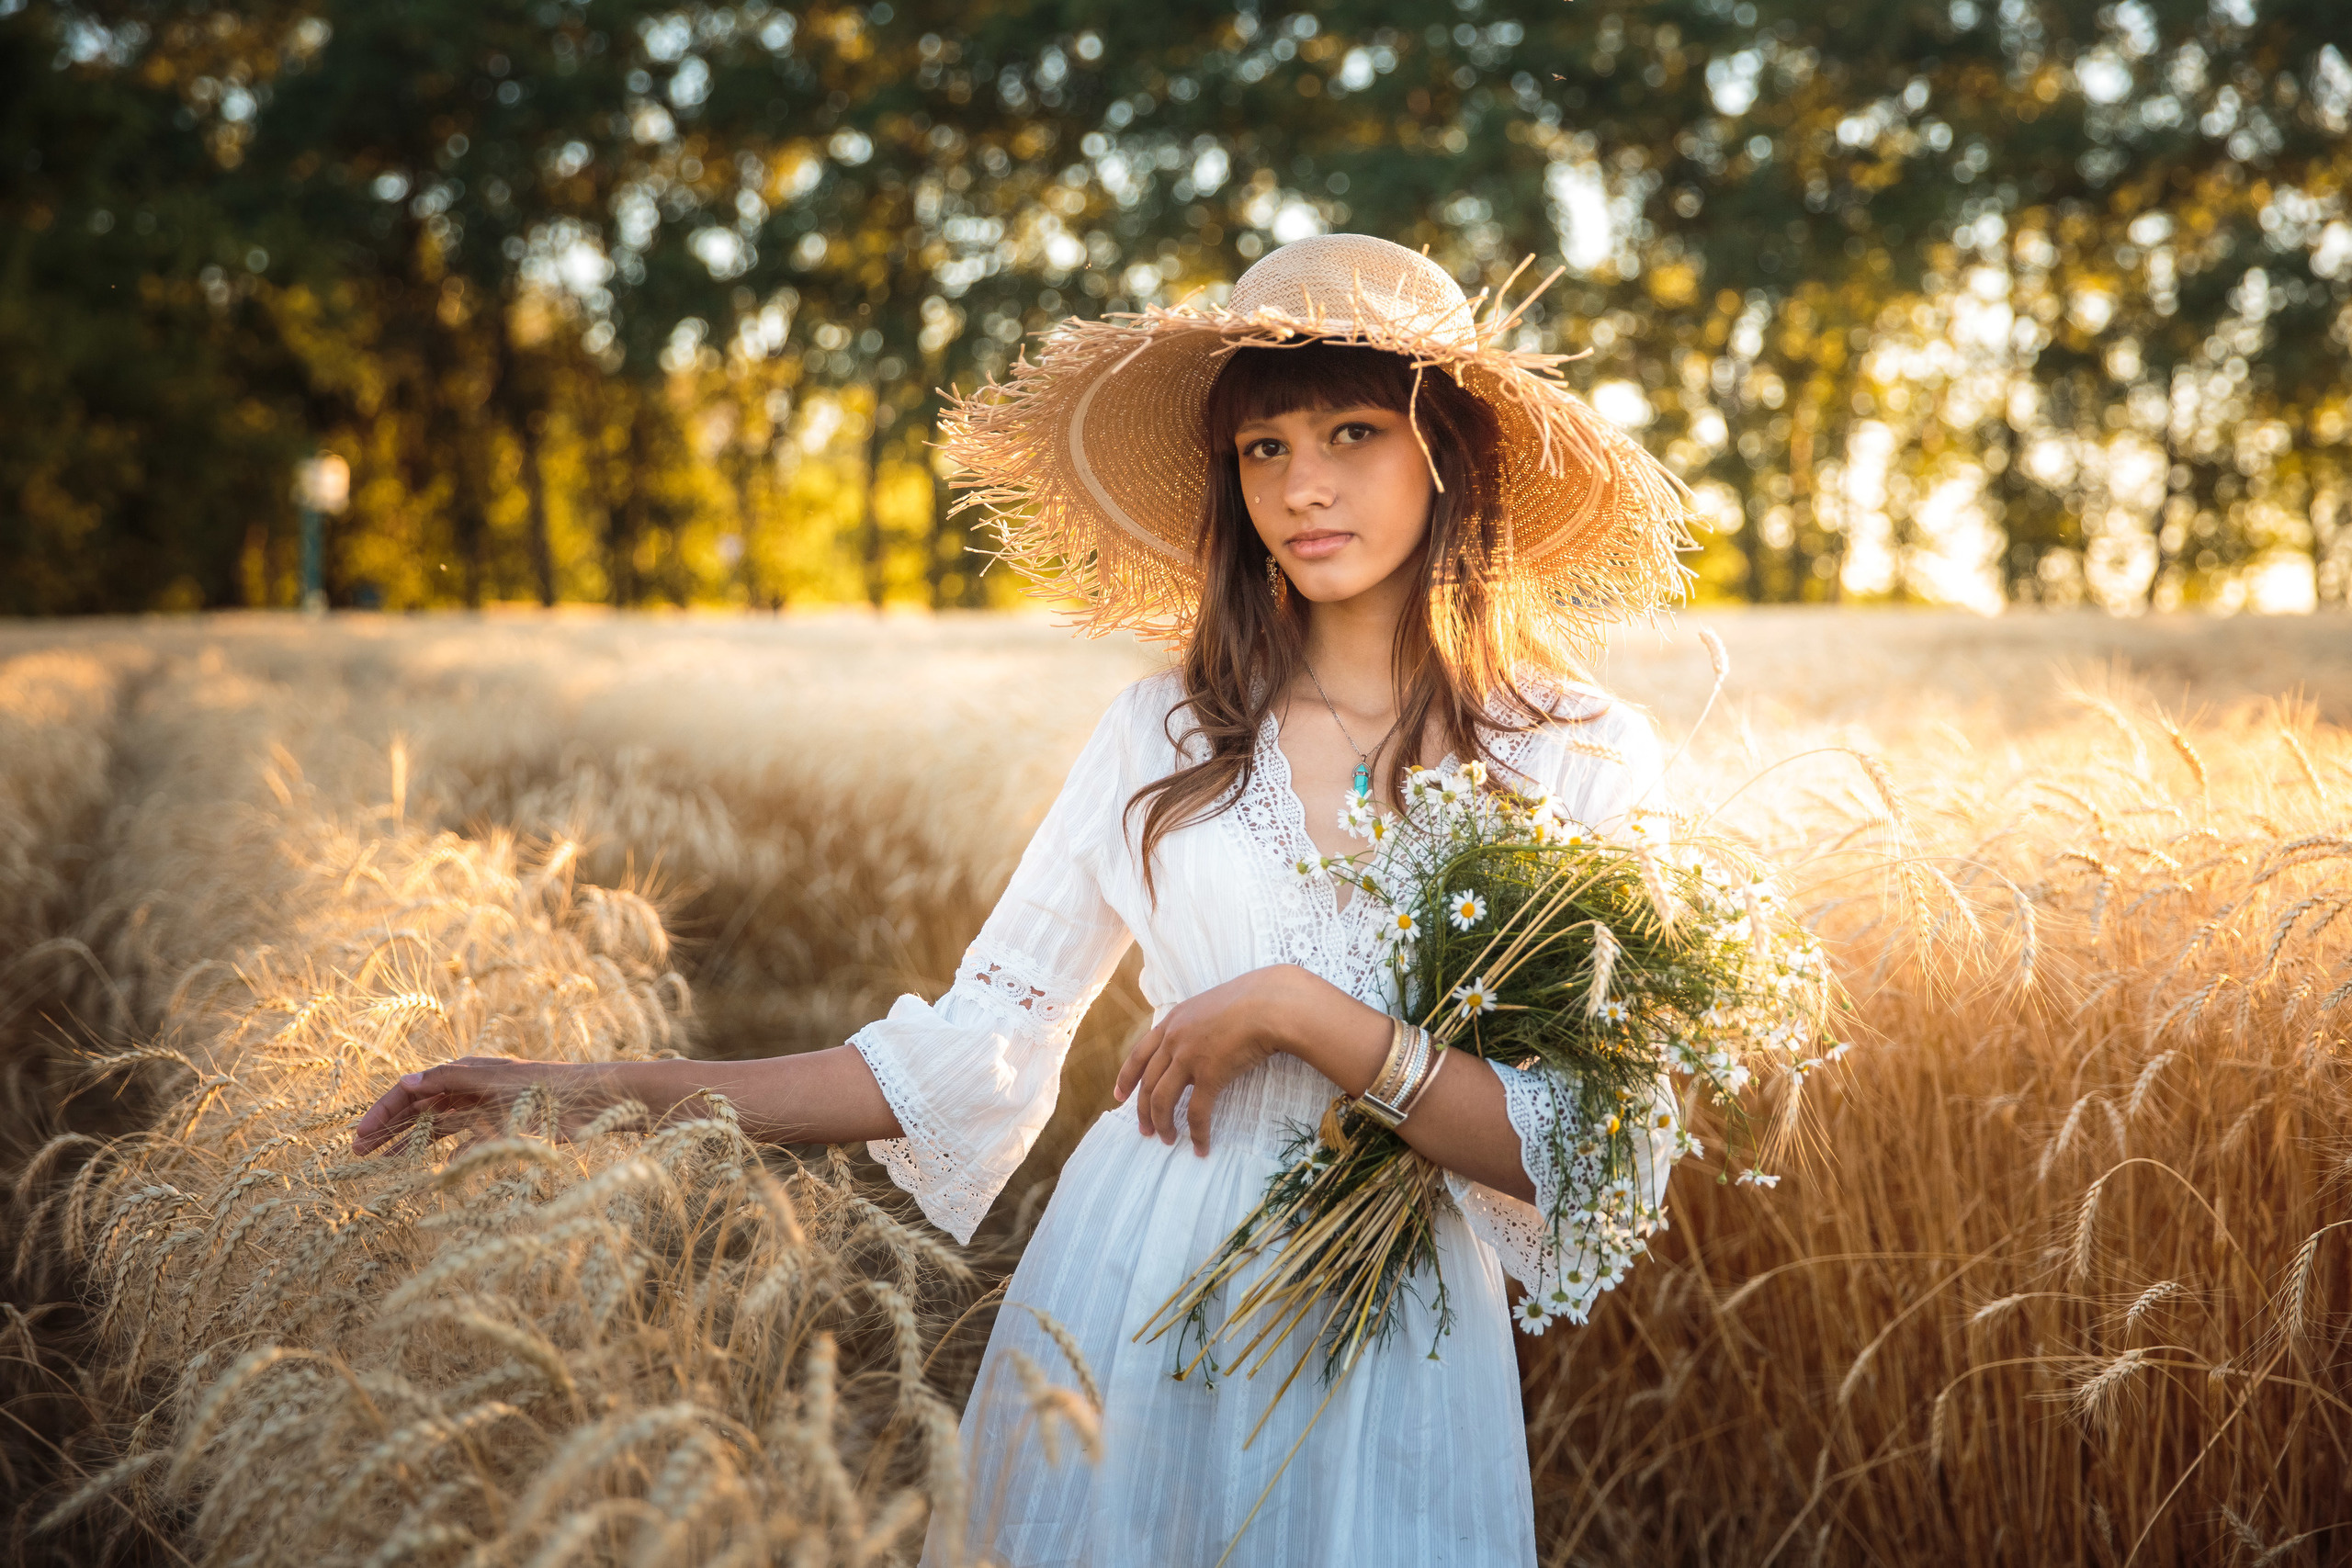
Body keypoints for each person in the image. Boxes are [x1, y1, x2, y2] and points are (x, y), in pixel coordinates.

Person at [353, 233, 1700, 1566]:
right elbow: (969, 1051)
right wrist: (587, 1092)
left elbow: (1588, 1148)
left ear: (1449, 455)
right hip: (1137, 1286)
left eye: (1352, 432)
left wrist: (1304, 1015)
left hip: (1397, 1327)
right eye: (1265, 449)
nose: (1302, 487)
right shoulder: (1162, 733)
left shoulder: (1570, 754)